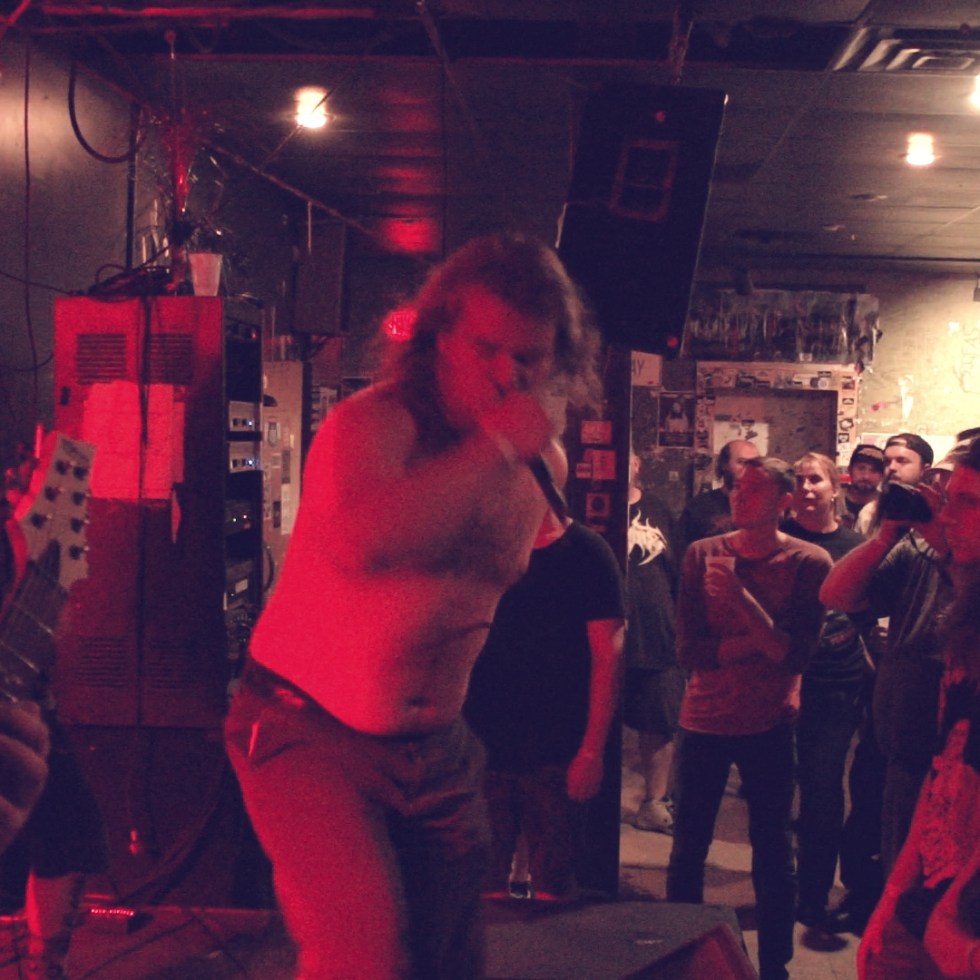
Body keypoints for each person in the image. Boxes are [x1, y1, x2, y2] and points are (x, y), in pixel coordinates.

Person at [224, 232, 601, 978]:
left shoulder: (543, 465)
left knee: (449, 964)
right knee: (363, 959)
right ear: (440, 337)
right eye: (487, 348)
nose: (507, 374)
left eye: (529, 356)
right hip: (307, 730)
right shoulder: (373, 424)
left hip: (437, 749)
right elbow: (364, 543)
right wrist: (495, 445)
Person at [666, 457, 832, 980]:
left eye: (756, 489)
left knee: (774, 853)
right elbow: (689, 650)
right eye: (738, 486)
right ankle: (682, 958)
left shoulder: (809, 561)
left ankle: (775, 966)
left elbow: (796, 655)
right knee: (688, 847)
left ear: (785, 501)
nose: (740, 496)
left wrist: (740, 597)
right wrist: (763, 640)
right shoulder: (702, 553)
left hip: (769, 725)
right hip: (703, 720)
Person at [463, 442, 625, 901]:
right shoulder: (487, 548)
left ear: (542, 486)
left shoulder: (587, 553)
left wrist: (591, 750)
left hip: (557, 747)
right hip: (485, 742)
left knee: (554, 885)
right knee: (484, 886)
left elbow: (608, 656)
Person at [858, 434, 980, 979]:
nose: (946, 515)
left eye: (967, 502)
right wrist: (894, 897)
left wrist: (954, 926)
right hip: (936, 882)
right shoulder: (966, 624)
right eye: (949, 498)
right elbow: (945, 770)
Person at [820, 432, 952, 935]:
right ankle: (871, 908)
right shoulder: (915, 546)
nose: (944, 501)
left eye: (961, 496)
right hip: (902, 736)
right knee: (886, 843)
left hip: (957, 750)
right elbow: (837, 593)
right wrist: (885, 538)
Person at [782, 452, 871, 929]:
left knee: (822, 787)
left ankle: (813, 895)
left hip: (836, 682)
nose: (806, 487)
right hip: (779, 679)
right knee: (778, 786)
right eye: (799, 480)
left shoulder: (855, 546)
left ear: (835, 487)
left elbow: (867, 613)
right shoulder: (778, 538)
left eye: (815, 479)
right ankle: (780, 883)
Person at [623, 450, 685, 834]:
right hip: (603, 635)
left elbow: (676, 572)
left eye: (629, 459)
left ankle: (654, 801)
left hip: (655, 634)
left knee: (658, 722)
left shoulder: (658, 509)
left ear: (637, 465)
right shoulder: (584, 507)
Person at [680, 438, 760, 547]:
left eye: (754, 464)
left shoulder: (767, 507)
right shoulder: (699, 507)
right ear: (724, 464)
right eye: (741, 462)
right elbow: (682, 551)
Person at [841, 443, 885, 532]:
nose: (866, 476)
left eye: (874, 471)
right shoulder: (833, 500)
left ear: (882, 475)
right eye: (861, 468)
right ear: (849, 469)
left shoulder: (886, 506)